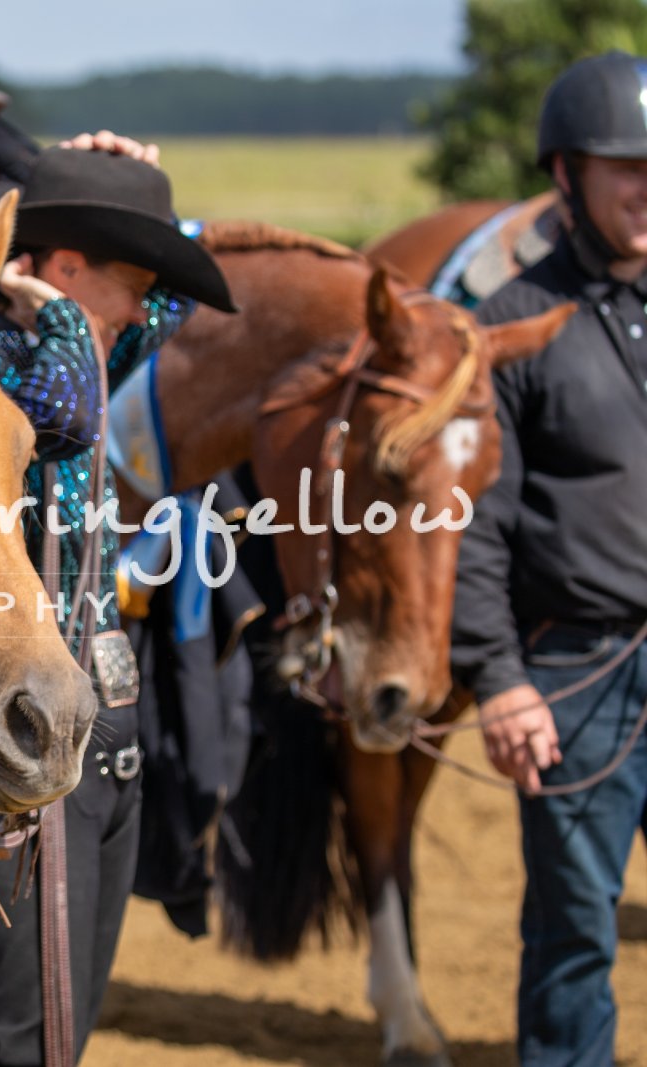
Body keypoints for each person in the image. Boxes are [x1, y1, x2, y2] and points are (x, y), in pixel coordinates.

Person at [0, 138, 237, 1067]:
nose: (140, 310)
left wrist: (126, 181)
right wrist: (52, 310)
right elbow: (66, 416)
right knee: (22, 1036)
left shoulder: (88, 340)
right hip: (10, 738)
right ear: (63, 267)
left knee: (68, 1031)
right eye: (126, 282)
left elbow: (178, 294)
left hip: (99, 736)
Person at [451, 49, 647, 1067]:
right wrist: (498, 678)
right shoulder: (509, 326)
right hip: (576, 673)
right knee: (575, 928)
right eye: (628, 168)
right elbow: (475, 526)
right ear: (567, 175)